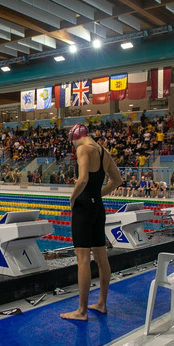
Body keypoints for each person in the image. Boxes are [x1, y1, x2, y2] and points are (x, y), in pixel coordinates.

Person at [60, 123, 122, 321]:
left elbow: (83, 179)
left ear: (75, 138)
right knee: (102, 259)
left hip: (84, 208)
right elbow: (117, 180)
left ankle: (82, 311)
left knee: (83, 260)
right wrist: (97, 194)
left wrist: (73, 198)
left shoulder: (83, 148)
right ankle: (102, 303)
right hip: (98, 208)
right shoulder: (104, 152)